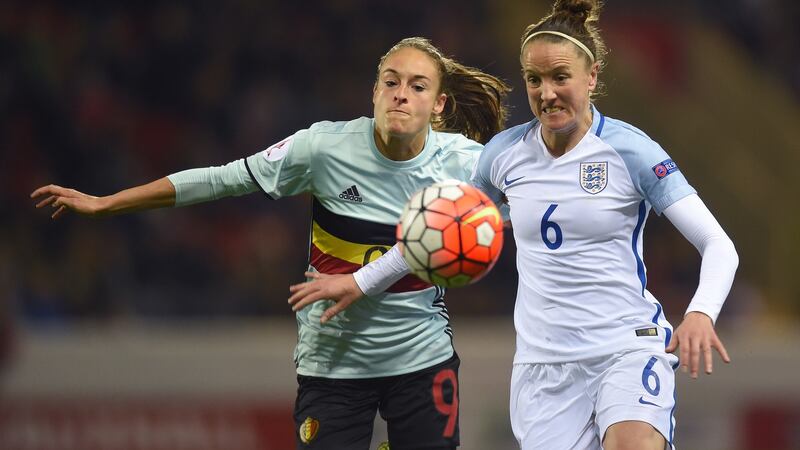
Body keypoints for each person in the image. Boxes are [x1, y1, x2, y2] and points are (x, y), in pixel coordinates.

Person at [287, 2, 739, 449]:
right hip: (543, 367)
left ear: (592, 76)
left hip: (625, 346)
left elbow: (718, 244)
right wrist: (361, 282)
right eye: (534, 79)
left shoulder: (630, 150)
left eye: (560, 77)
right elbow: (440, 234)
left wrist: (701, 312)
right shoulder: (503, 156)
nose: (546, 93)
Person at [30, 37, 510, 450]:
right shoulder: (323, 148)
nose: (401, 95)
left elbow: (527, 208)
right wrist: (107, 202)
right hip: (332, 362)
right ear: (374, 91)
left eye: (418, 86)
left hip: (420, 359)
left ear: (440, 105)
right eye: (390, 81)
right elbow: (222, 180)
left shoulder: (467, 165)